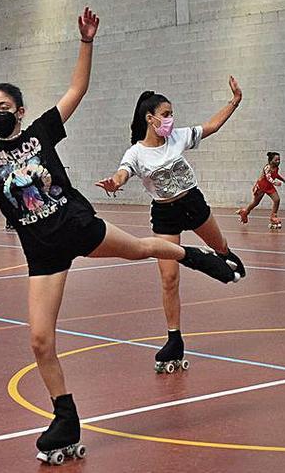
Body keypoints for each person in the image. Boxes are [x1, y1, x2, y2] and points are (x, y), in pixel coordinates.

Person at [0, 7, 239, 465]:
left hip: (78, 226)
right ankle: (65, 418)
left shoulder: (42, 131)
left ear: (19, 112)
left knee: (143, 249)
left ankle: (198, 258)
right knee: (41, 340)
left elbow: (77, 89)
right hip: (41, 252)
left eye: (3, 108)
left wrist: (86, 42)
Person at [95, 77, 247, 374]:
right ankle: (174, 339)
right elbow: (124, 172)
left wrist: (234, 101)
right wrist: (115, 182)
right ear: (150, 119)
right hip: (165, 215)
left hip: (193, 204)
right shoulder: (136, 153)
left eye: (171, 114)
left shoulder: (178, 136)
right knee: (169, 279)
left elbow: (211, 126)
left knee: (221, 249)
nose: (170, 119)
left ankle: (222, 255)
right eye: (165, 115)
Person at [236, 151, 285, 229]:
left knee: (277, 200)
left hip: (269, 187)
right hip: (261, 187)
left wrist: (282, 179)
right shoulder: (267, 167)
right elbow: (268, 177)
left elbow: (275, 174)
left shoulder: (276, 168)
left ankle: (273, 216)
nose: (278, 161)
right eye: (276, 160)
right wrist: (274, 182)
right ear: (271, 161)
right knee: (255, 203)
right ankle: (244, 212)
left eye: (279, 160)